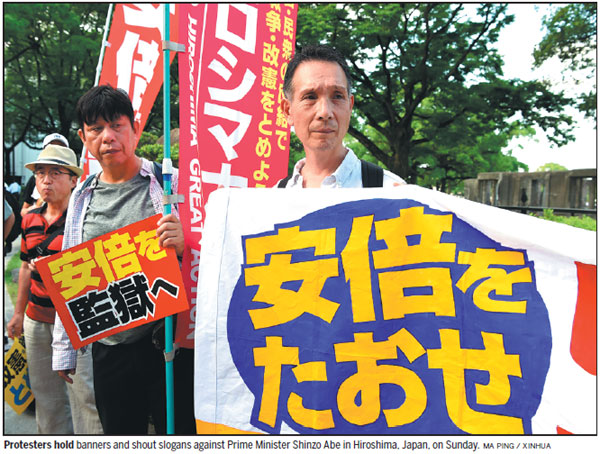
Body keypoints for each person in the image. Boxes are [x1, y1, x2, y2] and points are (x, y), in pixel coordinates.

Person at [52, 84, 195, 435]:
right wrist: (64, 349)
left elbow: (205, 248)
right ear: (84, 138)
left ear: (135, 129)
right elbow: (71, 274)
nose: (108, 137)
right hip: (109, 347)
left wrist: (184, 243)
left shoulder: (171, 183)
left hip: (166, 344)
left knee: (177, 432)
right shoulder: (82, 198)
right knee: (120, 433)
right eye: (96, 129)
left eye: (117, 125)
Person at [6, 145, 102, 434]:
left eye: (55, 173)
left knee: (84, 398)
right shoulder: (30, 219)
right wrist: (19, 314)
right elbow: (24, 267)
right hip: (36, 319)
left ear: (73, 180)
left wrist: (61, 267)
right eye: (40, 174)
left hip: (76, 323)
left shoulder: (86, 221)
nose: (46, 180)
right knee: (45, 396)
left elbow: (99, 273)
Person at [278, 44, 405, 188]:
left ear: (350, 106)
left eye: (337, 96)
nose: (325, 112)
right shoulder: (274, 199)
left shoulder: (389, 191)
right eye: (310, 97)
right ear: (288, 110)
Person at [21, 133, 71, 218]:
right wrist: (36, 209)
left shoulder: (72, 181)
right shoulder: (34, 179)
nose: (46, 181)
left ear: (73, 180)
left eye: (60, 148)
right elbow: (23, 211)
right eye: (51, 147)